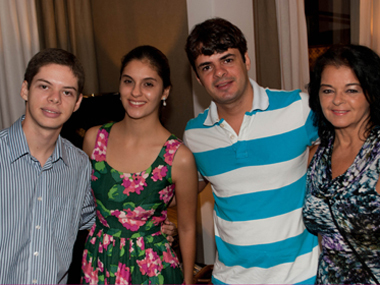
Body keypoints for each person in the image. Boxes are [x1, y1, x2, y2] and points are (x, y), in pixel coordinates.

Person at [183, 17, 320, 284]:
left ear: (246, 60)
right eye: (207, 67)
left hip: (300, 276)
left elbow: (343, 148)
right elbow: (181, 190)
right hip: (230, 278)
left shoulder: (298, 108)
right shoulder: (194, 135)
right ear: (198, 78)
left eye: (228, 59)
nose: (219, 73)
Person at [80, 45, 198, 285]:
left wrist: (188, 281)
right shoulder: (94, 139)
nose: (136, 92)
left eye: (148, 84)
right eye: (128, 81)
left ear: (165, 92)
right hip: (99, 265)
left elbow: (187, 228)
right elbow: (83, 207)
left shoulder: (179, 157)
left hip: (153, 270)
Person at [0, 48, 96, 284]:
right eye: (44, 86)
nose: (55, 98)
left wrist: (151, 221)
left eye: (67, 92)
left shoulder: (80, 165)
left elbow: (98, 217)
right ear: (25, 89)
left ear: (77, 102)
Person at [303, 44, 380, 284]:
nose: (337, 100)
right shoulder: (316, 156)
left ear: (372, 93)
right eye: (327, 90)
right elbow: (324, 237)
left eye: (351, 90)